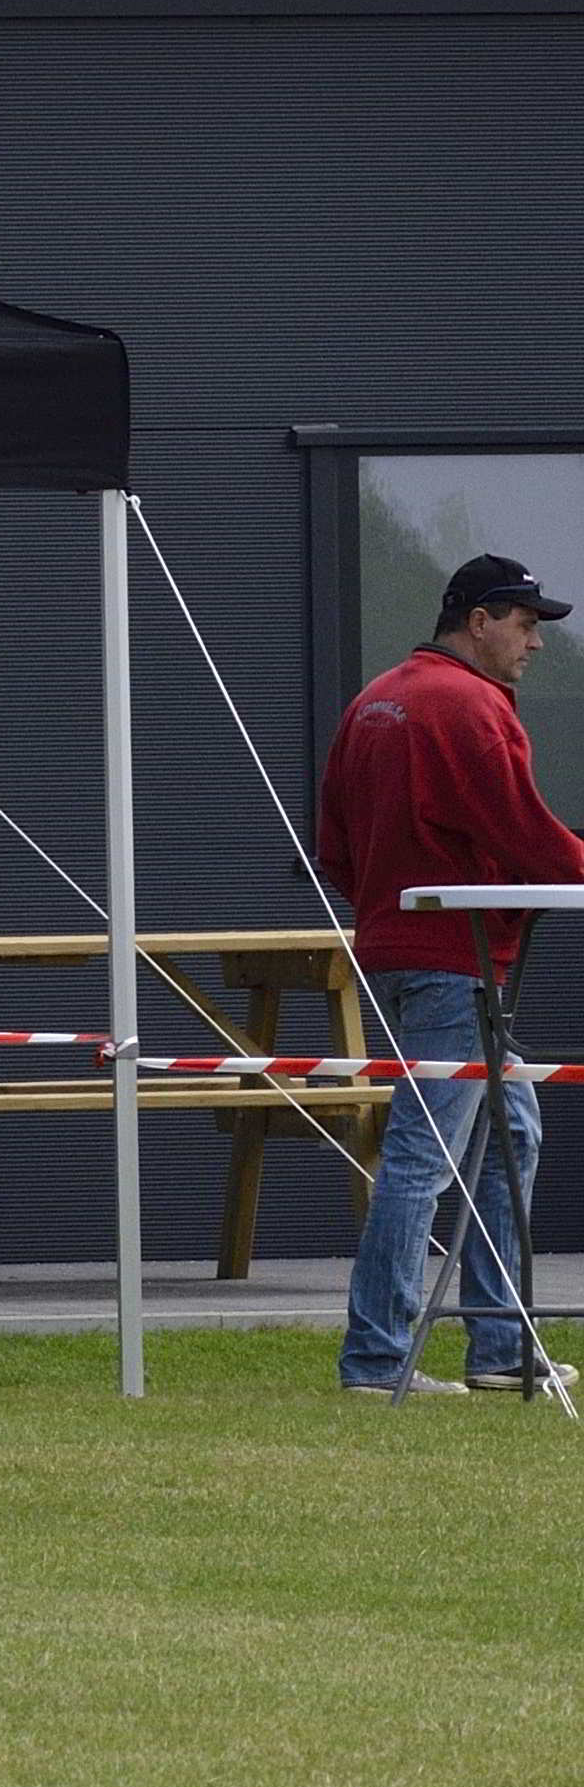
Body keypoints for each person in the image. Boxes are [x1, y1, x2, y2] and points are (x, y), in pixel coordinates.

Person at [315, 551, 584, 1399]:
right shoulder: (470, 704)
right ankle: (377, 1359)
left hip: (398, 952)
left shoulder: (375, 700)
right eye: (526, 624)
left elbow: (334, 845)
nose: (535, 643)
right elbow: (523, 829)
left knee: (512, 1137)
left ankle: (499, 1347)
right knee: (423, 1158)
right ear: (479, 621)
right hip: (455, 963)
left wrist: (388, 909)